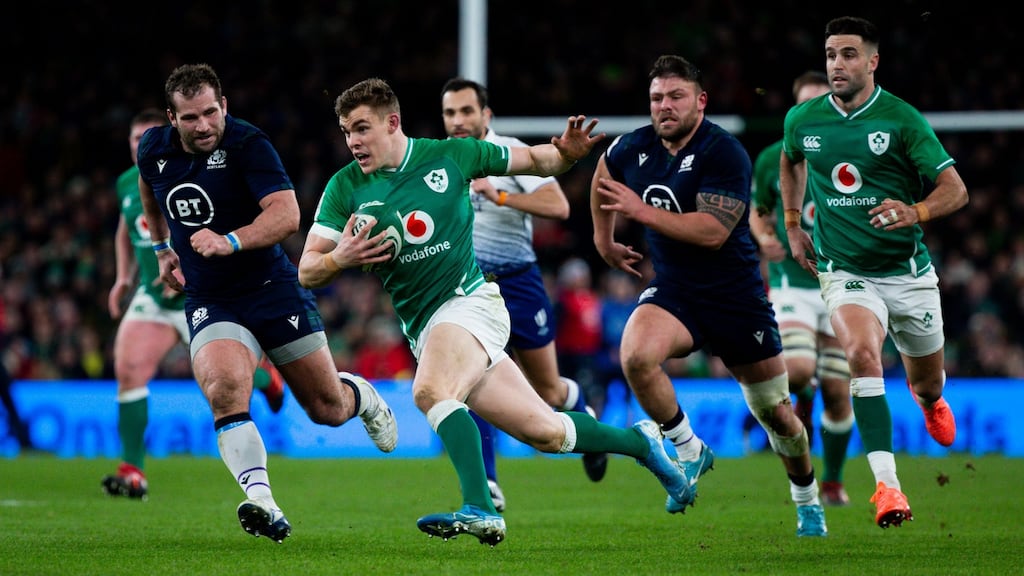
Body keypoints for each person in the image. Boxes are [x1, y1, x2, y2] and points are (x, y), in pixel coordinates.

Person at [299, 77, 695, 547]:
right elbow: (307, 270)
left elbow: (535, 160)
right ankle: (642, 444)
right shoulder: (344, 187)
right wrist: (338, 260)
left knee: (430, 390)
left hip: (472, 303)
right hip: (427, 327)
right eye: (346, 131)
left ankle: (481, 508)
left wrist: (566, 154)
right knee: (547, 433)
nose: (353, 141)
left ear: (392, 122)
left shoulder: (451, 155)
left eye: (361, 128)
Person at [137, 63, 397, 542]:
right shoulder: (153, 149)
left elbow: (286, 215)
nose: (204, 125)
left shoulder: (247, 144)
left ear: (224, 107)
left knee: (327, 408)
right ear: (172, 120)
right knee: (224, 388)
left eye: (211, 113)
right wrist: (161, 248)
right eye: (191, 118)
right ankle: (263, 502)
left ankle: (361, 395)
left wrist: (230, 241)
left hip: (270, 287)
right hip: (211, 296)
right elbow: (150, 195)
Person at [590, 54, 827, 537]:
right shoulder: (632, 147)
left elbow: (712, 232)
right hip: (677, 289)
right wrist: (603, 238)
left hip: (736, 296)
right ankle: (690, 450)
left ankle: (807, 497)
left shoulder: (724, 152)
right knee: (636, 356)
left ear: (700, 101)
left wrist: (639, 210)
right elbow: (601, 174)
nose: (664, 106)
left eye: (676, 96)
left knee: (777, 415)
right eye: (657, 98)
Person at [779, 16, 967, 529]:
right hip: (846, 272)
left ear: (872, 61)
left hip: (908, 273)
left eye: (847, 55)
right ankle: (887, 488)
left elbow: (956, 189)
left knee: (926, 383)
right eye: (830, 54)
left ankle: (930, 402)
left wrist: (916, 211)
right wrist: (794, 225)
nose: (837, 64)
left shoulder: (902, 119)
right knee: (862, 353)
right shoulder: (803, 119)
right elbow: (791, 162)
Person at [102, 108, 288, 500]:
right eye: (134, 140)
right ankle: (133, 469)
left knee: (227, 378)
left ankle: (266, 378)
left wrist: (184, 265)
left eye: (144, 139)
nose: (140, 146)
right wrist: (122, 277)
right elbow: (125, 229)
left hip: (199, 292)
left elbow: (195, 227)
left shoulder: (184, 170)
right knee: (128, 367)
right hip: (153, 296)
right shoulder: (127, 182)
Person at [439, 77, 607, 512]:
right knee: (470, 381)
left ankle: (586, 424)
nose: (458, 121)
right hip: (469, 287)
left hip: (517, 281)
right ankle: (488, 483)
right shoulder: (442, 163)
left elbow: (559, 207)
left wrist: (499, 195)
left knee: (548, 391)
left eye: (466, 111)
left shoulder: (508, 152)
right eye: (450, 113)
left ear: (485, 116)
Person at [749, 71, 854, 506]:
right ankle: (802, 399)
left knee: (837, 389)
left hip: (840, 280)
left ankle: (833, 480)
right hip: (791, 281)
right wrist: (765, 238)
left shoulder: (851, 148)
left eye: (820, 101)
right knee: (797, 369)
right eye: (804, 103)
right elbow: (759, 209)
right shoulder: (773, 156)